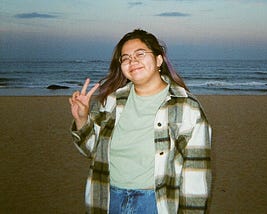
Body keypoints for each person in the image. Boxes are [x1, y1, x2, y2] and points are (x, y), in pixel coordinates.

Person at [69, 29, 212, 214]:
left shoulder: (186, 107)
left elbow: (196, 174)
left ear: (159, 60)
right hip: (108, 198)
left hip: (154, 203)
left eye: (140, 54)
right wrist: (81, 119)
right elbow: (91, 150)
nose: (132, 61)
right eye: (126, 58)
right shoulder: (111, 102)